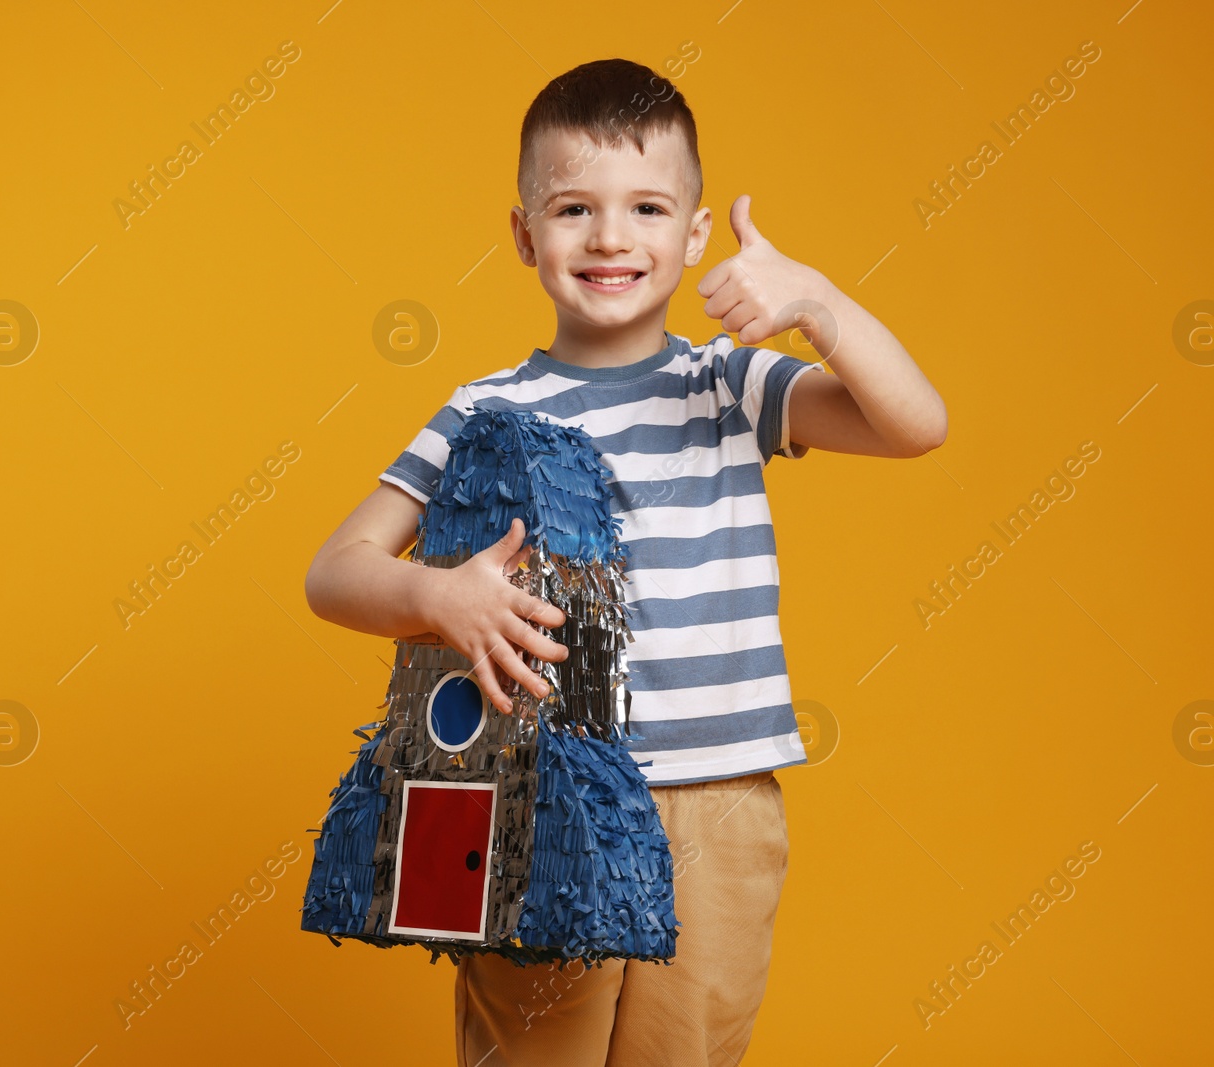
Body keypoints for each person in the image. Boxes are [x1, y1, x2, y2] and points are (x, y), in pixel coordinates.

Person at [303, 57, 947, 1067]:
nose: (610, 236)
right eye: (572, 209)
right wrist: (439, 595)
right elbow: (333, 571)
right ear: (524, 234)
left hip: (716, 801)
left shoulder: (727, 384)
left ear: (694, 236)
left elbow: (914, 424)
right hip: (535, 787)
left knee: (682, 1049)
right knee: (533, 1047)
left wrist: (818, 305)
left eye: (647, 207)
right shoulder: (485, 409)